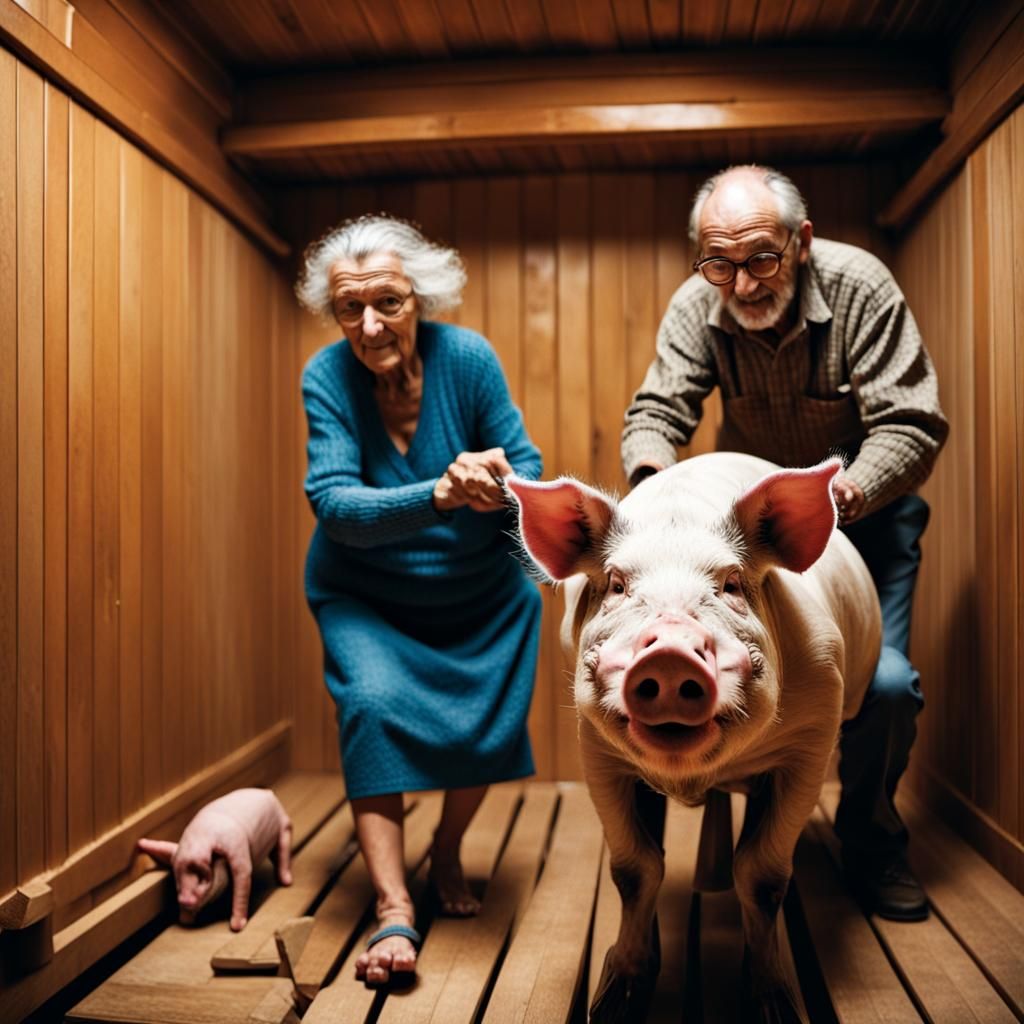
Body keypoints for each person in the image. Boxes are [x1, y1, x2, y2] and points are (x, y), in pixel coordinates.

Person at [621, 165, 949, 921]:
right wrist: (652, 487)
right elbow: (656, 414)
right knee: (735, 668)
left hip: (863, 516)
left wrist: (833, 500)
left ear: (802, 243)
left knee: (884, 689)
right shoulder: (699, 299)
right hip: (748, 536)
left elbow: (913, 424)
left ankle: (870, 841)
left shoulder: (860, 284)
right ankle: (740, 824)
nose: (739, 284)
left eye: (761, 259)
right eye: (719, 264)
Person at [296, 215, 543, 984]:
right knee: (368, 703)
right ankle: (393, 907)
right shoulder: (325, 379)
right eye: (349, 308)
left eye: (389, 303)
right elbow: (335, 505)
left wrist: (499, 482)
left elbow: (528, 466)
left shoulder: (468, 360)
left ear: (421, 298)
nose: (369, 326)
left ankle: (445, 849)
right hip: (364, 590)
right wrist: (438, 492)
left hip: (477, 590)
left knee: (487, 716)